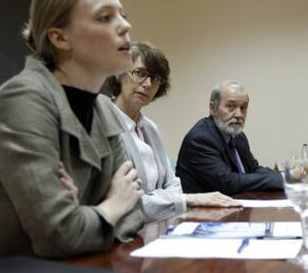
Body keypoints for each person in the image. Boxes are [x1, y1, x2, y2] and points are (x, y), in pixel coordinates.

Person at [0, 0, 144, 259]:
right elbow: (59, 234)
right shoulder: (21, 99)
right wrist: (112, 206)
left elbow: (135, 210)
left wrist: (83, 216)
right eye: (105, 17)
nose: (125, 26)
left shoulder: (103, 107)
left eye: (122, 15)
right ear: (60, 38)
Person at [103, 41, 241, 223]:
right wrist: (189, 199)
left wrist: (159, 198)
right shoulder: (105, 125)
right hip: (127, 236)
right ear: (119, 74)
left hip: (159, 228)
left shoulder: (150, 128)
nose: (147, 84)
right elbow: (129, 203)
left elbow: (173, 185)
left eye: (156, 78)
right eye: (139, 73)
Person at [176, 80, 284, 195]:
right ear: (213, 108)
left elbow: (253, 169)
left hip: (234, 204)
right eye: (231, 106)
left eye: (243, 108)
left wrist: (286, 176)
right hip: (199, 211)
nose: (239, 114)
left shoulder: (238, 136)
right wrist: (281, 180)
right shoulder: (200, 139)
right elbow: (228, 182)